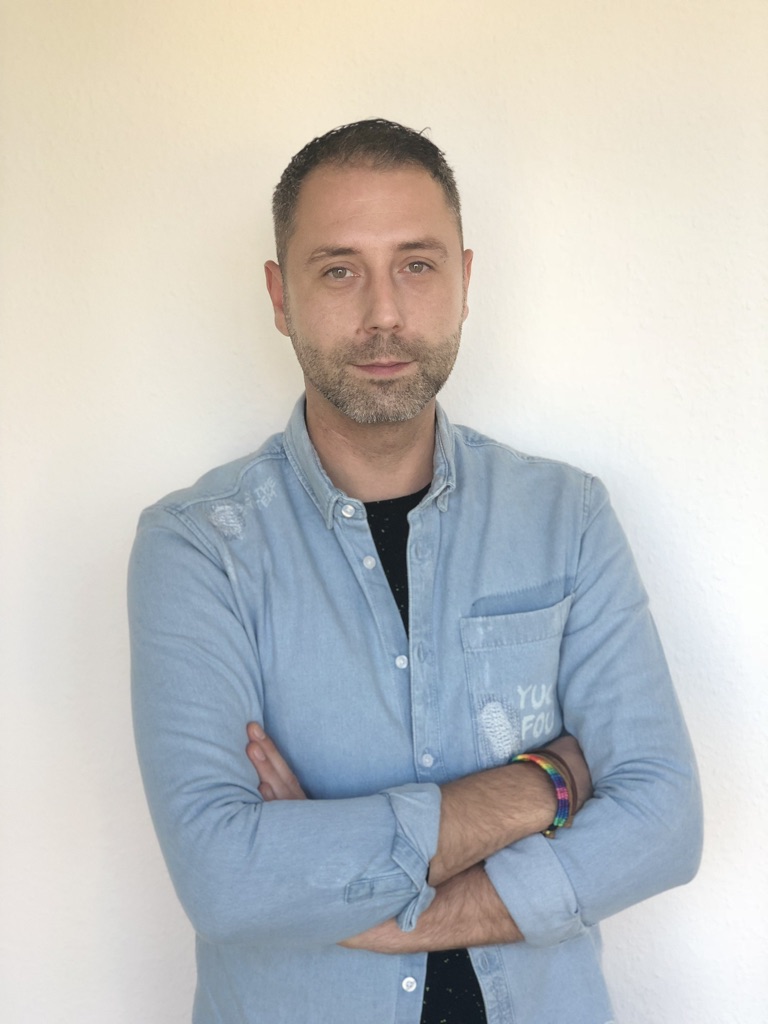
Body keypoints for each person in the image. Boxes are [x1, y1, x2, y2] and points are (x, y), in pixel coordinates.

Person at [129, 119, 702, 1024]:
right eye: (339, 270)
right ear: (280, 296)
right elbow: (225, 877)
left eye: (418, 265)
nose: (384, 314)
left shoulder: (568, 517)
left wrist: (377, 905)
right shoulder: (198, 547)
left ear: (465, 282)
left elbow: (663, 822)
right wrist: (543, 786)